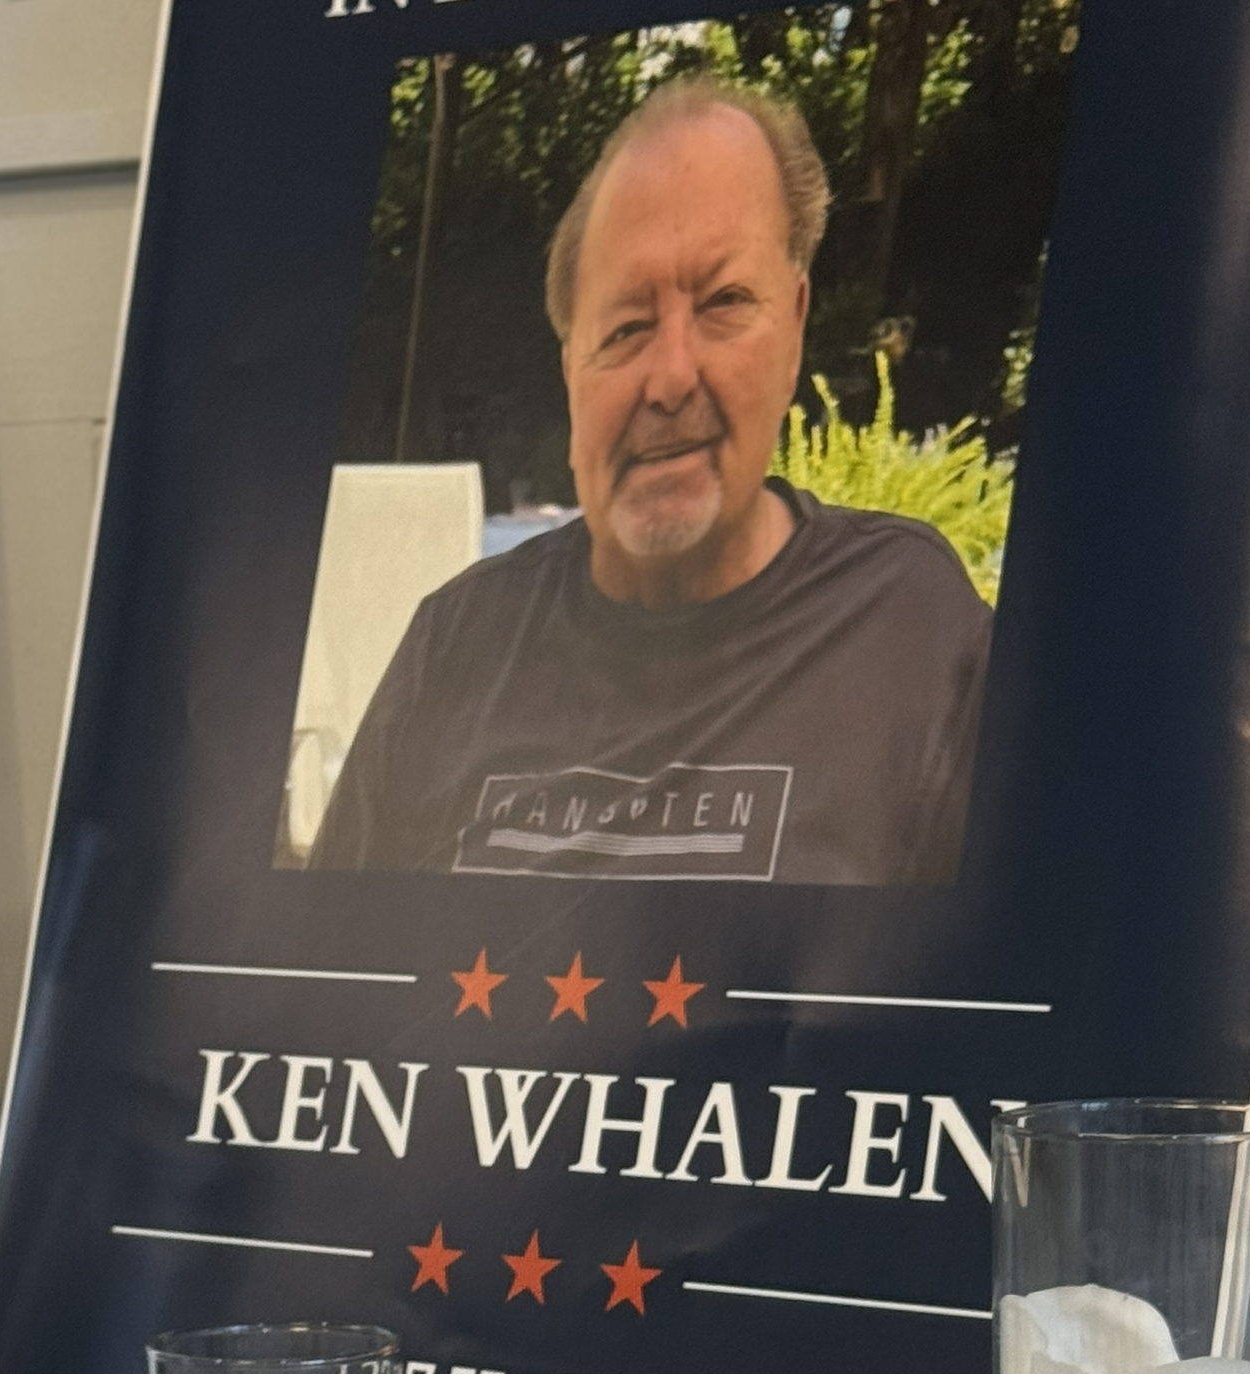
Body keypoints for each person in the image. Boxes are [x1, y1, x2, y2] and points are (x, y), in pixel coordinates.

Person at [307, 75, 994, 886]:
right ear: (571, 374)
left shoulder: (913, 632)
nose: (670, 377)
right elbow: (315, 991)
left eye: (725, 301)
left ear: (795, 328)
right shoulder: (452, 649)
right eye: (626, 326)